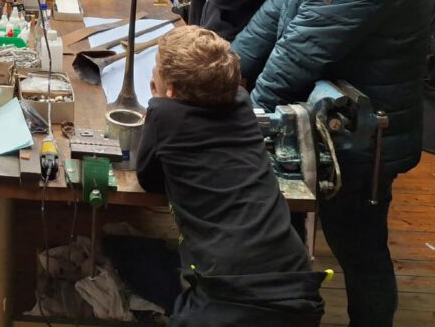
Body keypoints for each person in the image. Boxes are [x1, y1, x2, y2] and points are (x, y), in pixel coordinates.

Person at [233, 0, 430, 327]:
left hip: (362, 137)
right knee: (303, 230)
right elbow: (272, 18)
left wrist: (242, 121)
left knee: (359, 247)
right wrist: (218, 72)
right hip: (333, 123)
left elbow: (297, 54)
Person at [136, 25, 324, 326]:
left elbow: (148, 179)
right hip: (294, 280)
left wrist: (157, 103)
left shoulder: (164, 115)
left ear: (169, 88)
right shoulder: (241, 100)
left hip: (229, 292)